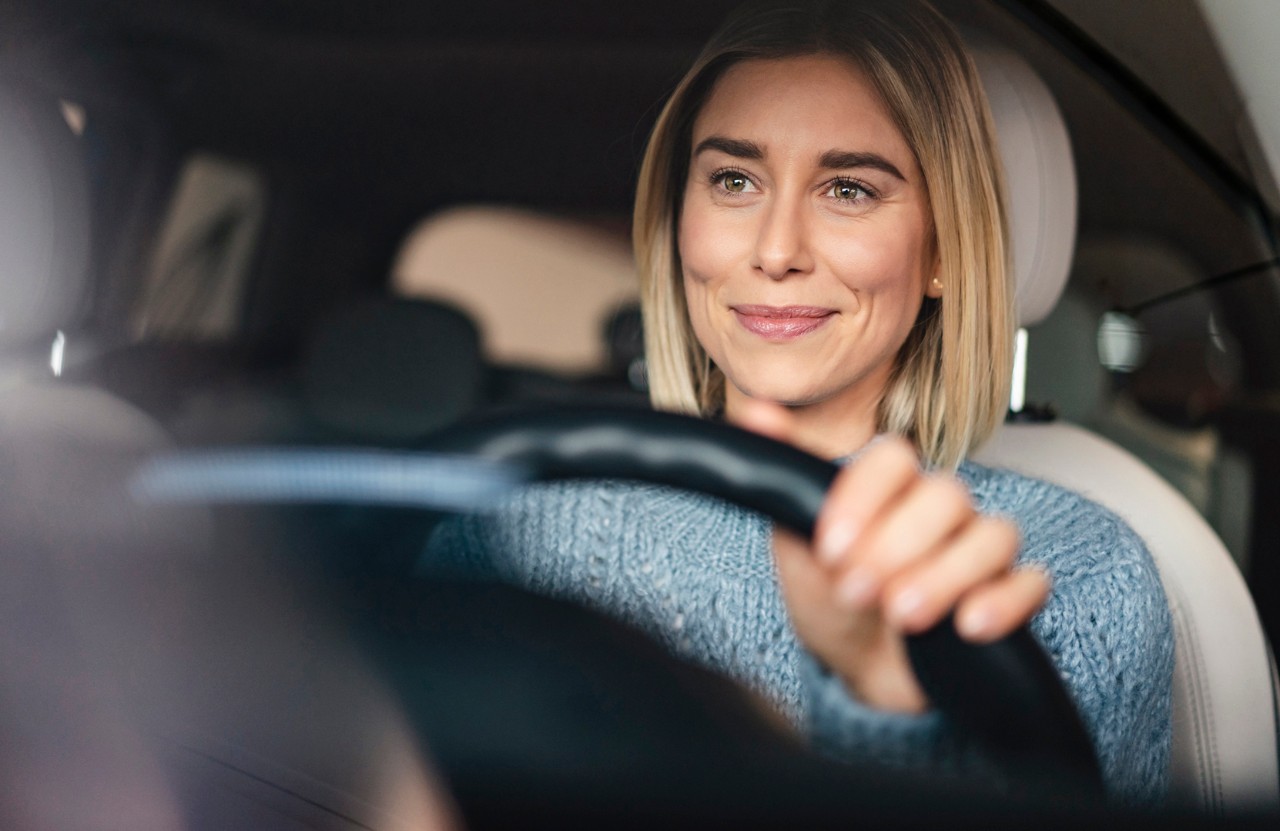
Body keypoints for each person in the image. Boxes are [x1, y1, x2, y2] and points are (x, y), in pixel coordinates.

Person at [424, 0, 1173, 805]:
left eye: (848, 189)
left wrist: (885, 705)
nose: (776, 250)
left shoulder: (1080, 576)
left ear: (945, 252)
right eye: (734, 180)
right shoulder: (515, 523)